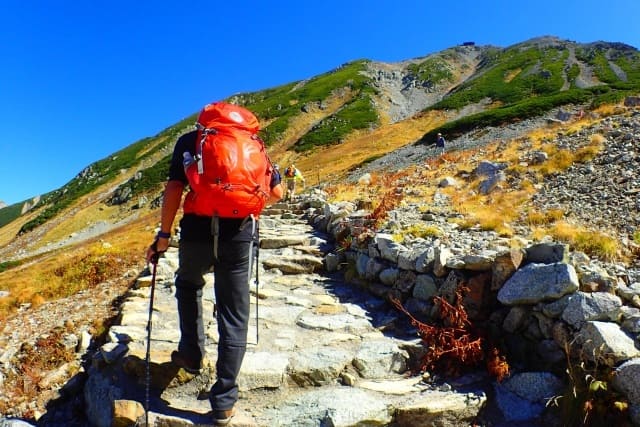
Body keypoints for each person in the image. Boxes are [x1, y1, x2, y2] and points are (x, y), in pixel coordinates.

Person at [146, 104, 283, 426]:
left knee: (188, 285)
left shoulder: (191, 141)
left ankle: (191, 354)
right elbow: (277, 192)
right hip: (239, 233)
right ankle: (224, 402)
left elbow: (174, 188)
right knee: (235, 311)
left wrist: (163, 236)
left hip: (196, 230)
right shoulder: (254, 146)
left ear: (205, 121)